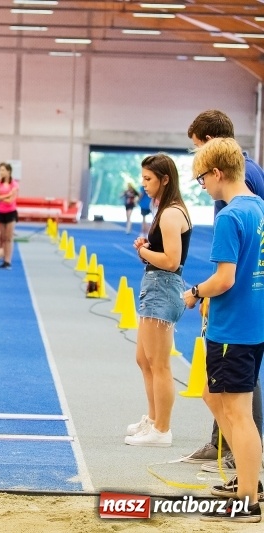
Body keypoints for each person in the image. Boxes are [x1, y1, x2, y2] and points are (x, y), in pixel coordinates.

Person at [183, 138, 264, 523]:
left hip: (233, 327)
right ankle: (247, 479)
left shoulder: (229, 216)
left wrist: (196, 292)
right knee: (212, 396)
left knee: (238, 414)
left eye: (202, 180)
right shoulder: (260, 208)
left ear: (217, 173)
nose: (204, 188)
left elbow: (225, 278)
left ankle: (248, 497)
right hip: (253, 322)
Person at [125, 153, 192, 447]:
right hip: (155, 286)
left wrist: (143, 252)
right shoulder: (165, 210)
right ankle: (153, 420)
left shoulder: (171, 213)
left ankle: (162, 430)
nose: (144, 185)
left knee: (160, 363)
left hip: (163, 288)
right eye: (142, 179)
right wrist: (148, 249)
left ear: (165, 179)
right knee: (144, 358)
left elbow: (172, 260)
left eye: (148, 179)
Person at [0, 162, 19, 269]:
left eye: (3, 170)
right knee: (3, 237)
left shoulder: (14, 184)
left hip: (11, 212)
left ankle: (8, 260)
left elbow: (11, 200)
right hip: (0, 212)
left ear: (9, 171)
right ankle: (4, 261)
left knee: (9, 237)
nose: (1, 172)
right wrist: (7, 195)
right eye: (0, 170)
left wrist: (1, 196)